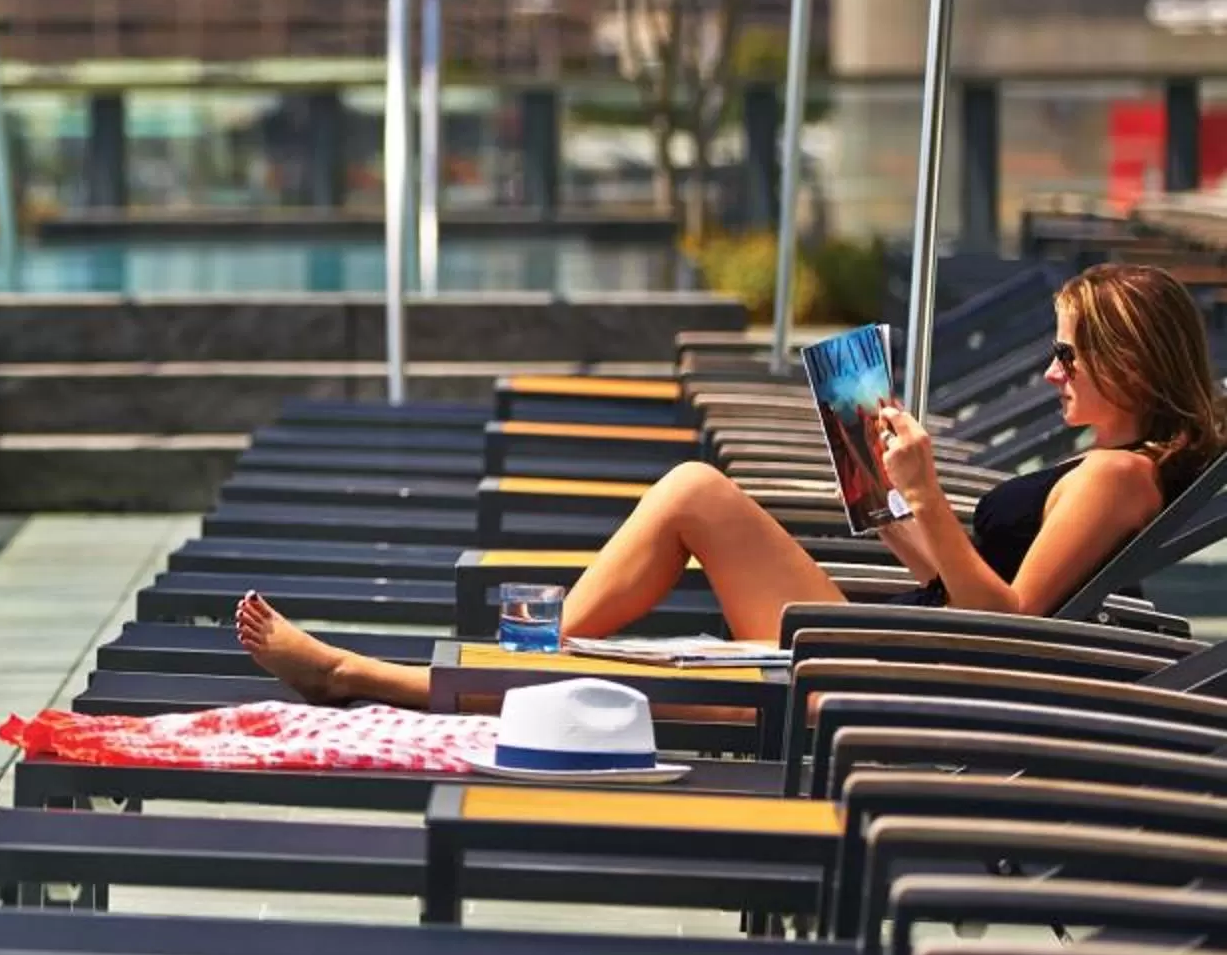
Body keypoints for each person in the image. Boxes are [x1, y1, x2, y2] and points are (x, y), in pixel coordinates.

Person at [237, 262, 1220, 710]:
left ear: (1128, 362)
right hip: (903, 643)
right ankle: (485, 662)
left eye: (1067, 355)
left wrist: (925, 491)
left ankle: (370, 675)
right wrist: (884, 495)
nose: (1051, 374)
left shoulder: (1116, 477)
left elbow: (1007, 628)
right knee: (691, 502)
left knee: (693, 497)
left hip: (905, 677)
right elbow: (958, 587)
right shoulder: (1108, 470)